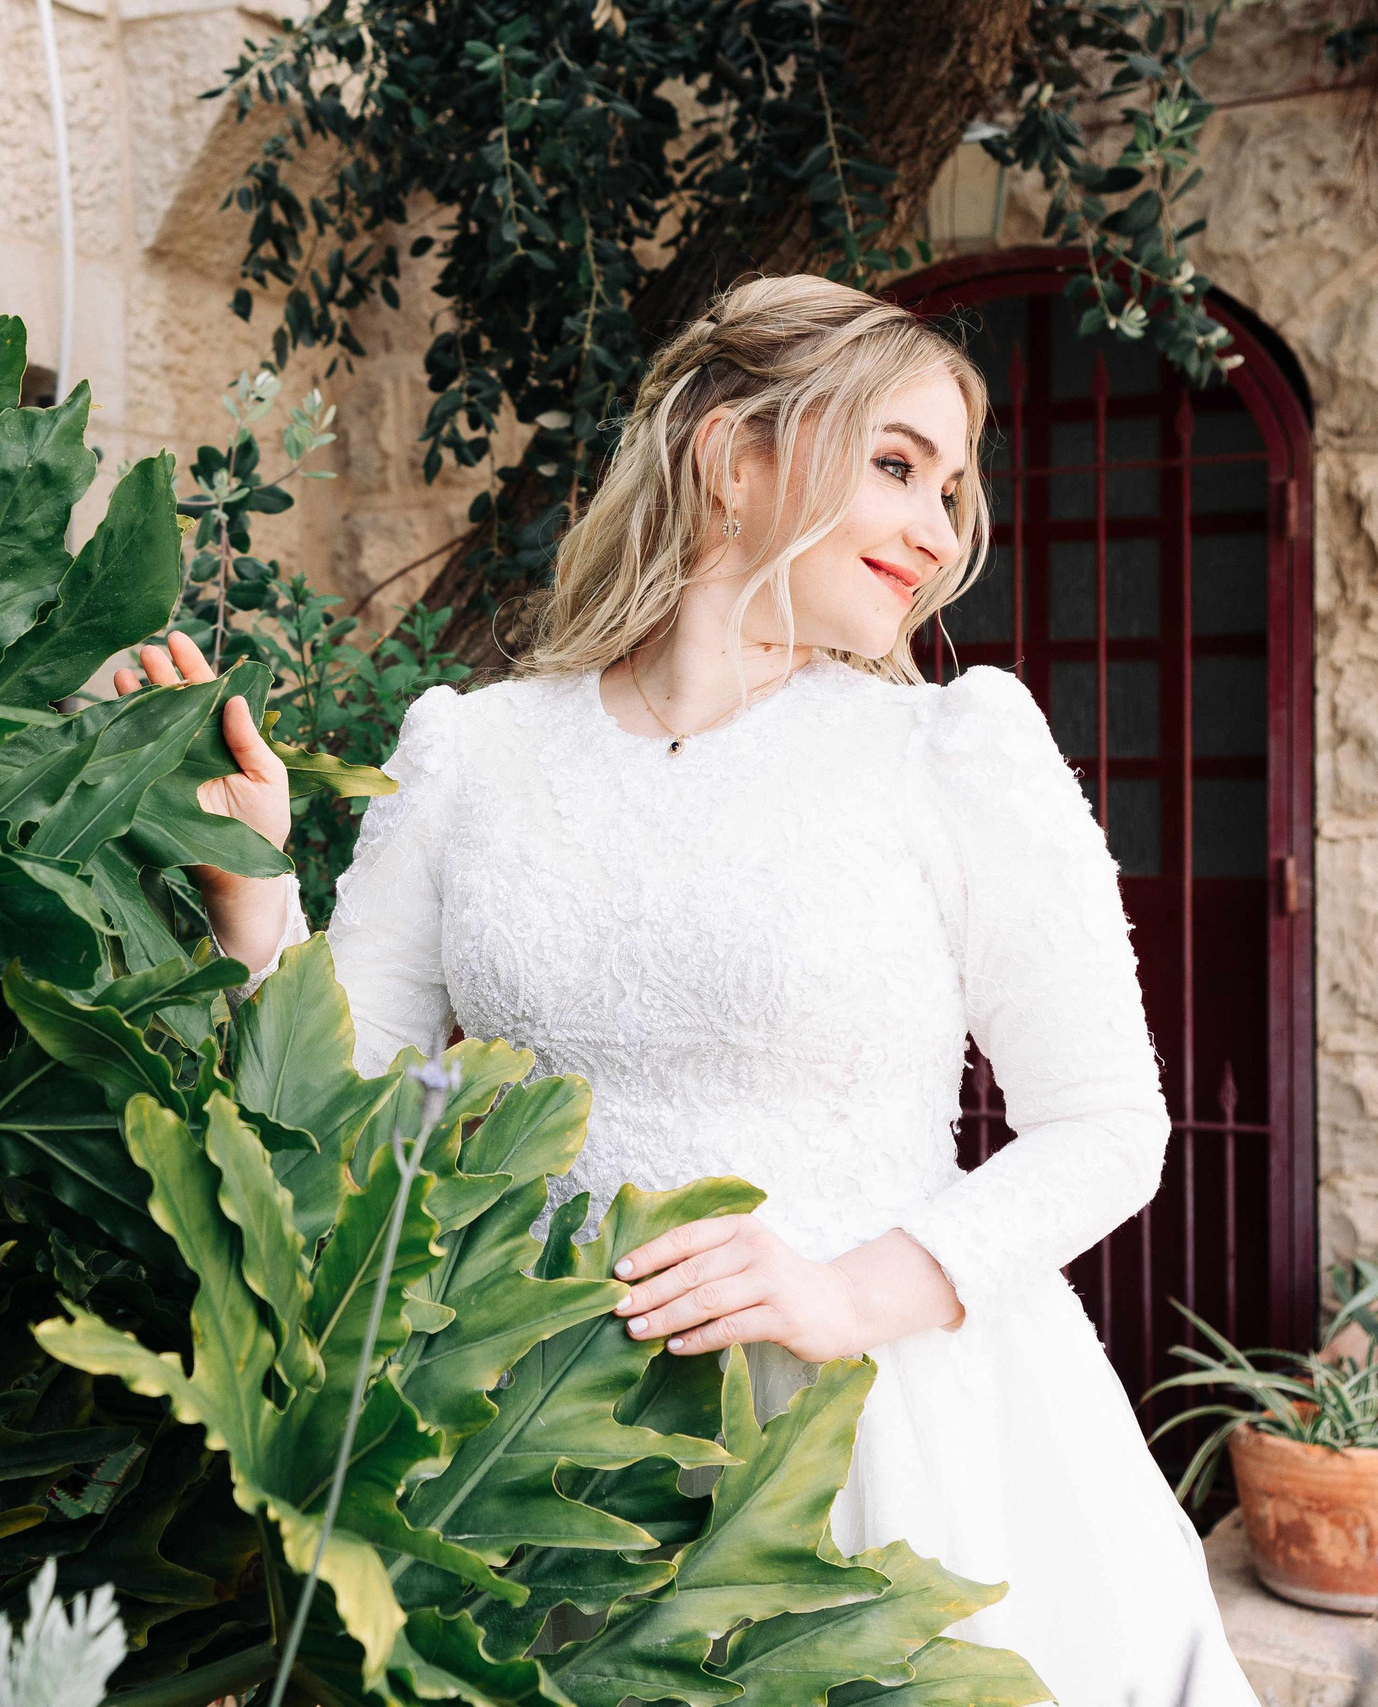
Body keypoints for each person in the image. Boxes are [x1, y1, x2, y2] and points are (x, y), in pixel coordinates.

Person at [116, 275, 1259, 1705]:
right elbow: (346, 1116)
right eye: (896, 464)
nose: (937, 529)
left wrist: (844, 1293)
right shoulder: (474, 751)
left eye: (952, 490)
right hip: (533, 1443)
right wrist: (250, 886)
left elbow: (1109, 1127)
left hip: (870, 1434)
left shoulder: (951, 752)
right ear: (732, 457)